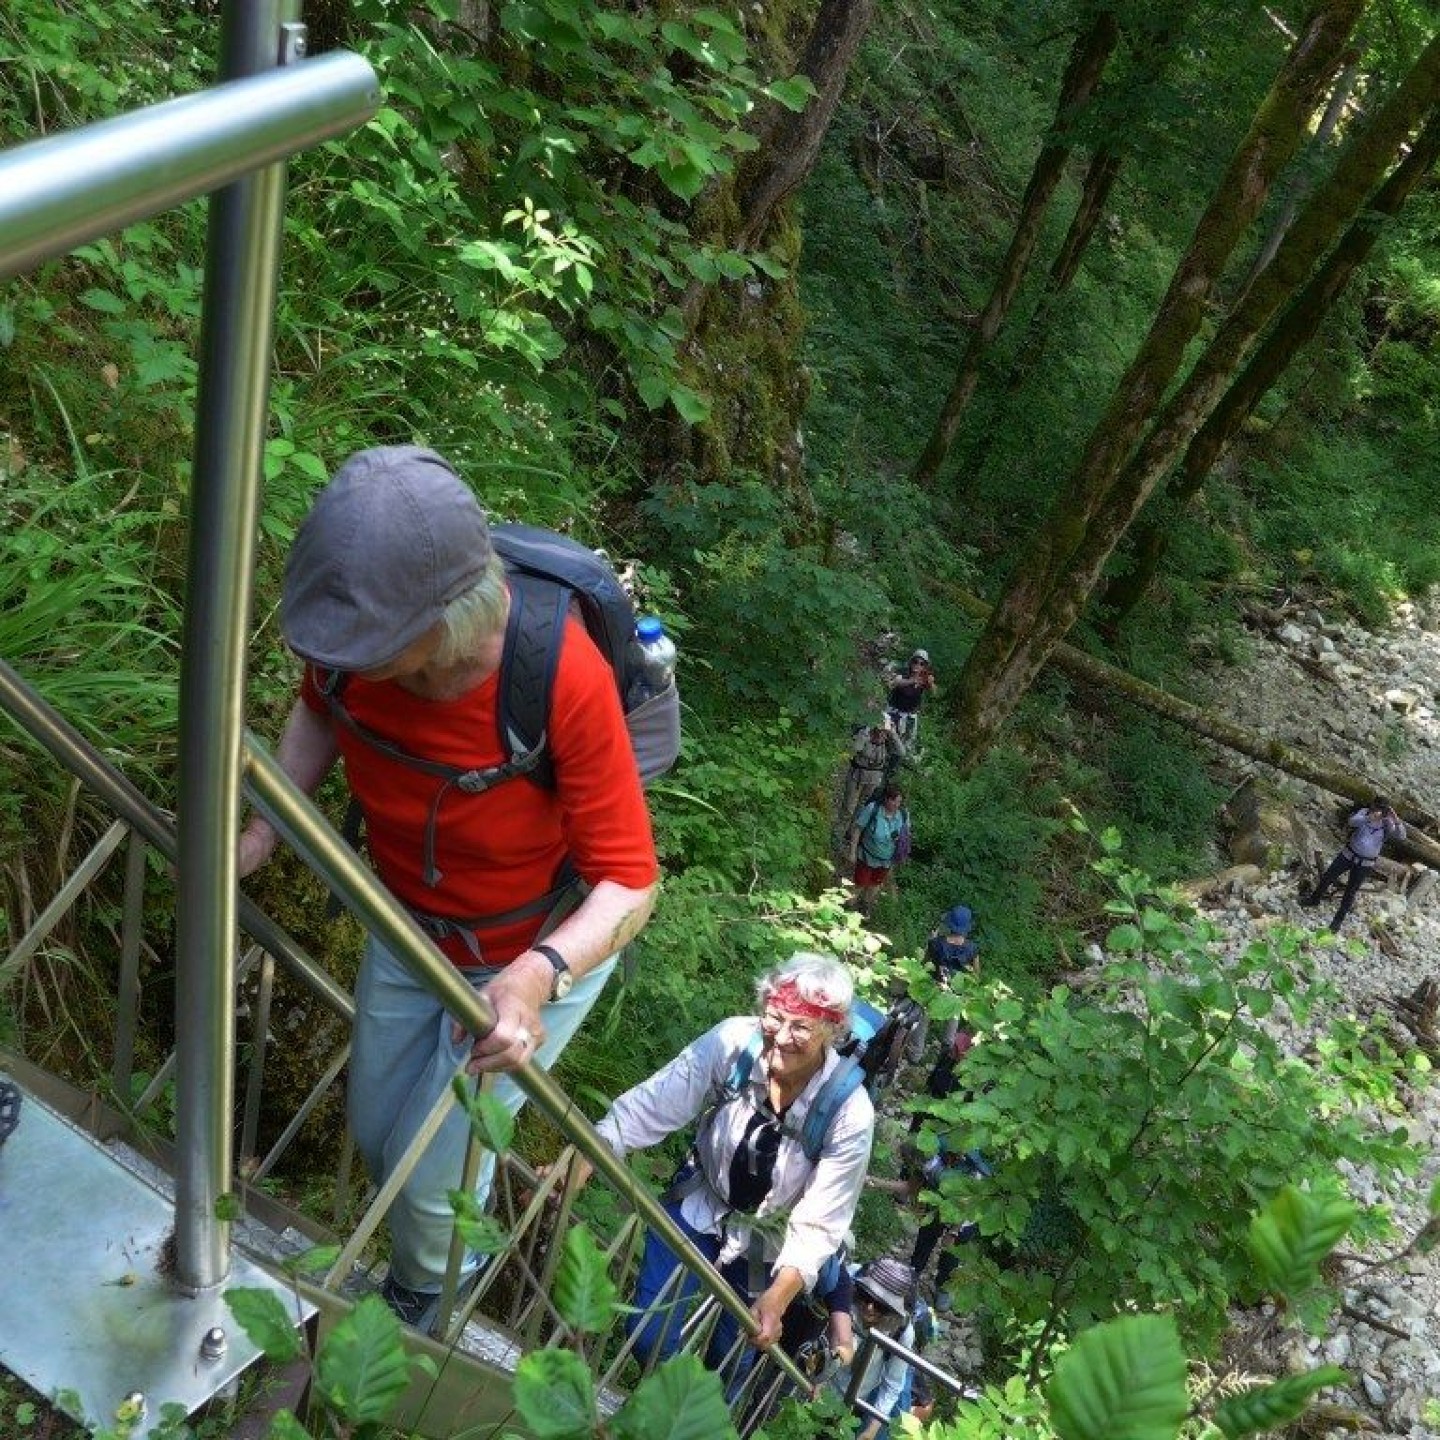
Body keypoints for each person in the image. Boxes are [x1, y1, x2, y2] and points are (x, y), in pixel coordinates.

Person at [237, 446, 660, 1331]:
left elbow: (629, 882)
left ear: (449, 620)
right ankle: (442, 1255)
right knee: (376, 1132)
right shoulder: (356, 634)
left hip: (525, 949)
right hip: (407, 923)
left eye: (368, 649)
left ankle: (430, 1301)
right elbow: (319, 711)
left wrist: (540, 975)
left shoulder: (558, 674)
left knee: (429, 1172)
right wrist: (268, 824)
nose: (342, 659)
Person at [581, 953, 874, 1366]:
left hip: (770, 1246)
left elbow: (823, 1219)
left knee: (732, 1353)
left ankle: (708, 1414)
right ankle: (668, 1404)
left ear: (832, 1030)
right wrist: (584, 1160)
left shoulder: (848, 1111)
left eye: (801, 1027)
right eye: (774, 1018)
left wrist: (780, 1295)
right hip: (701, 1200)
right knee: (648, 1335)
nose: (781, 1036)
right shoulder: (734, 1043)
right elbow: (653, 1104)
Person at [827, 1257, 922, 1440]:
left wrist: (871, 1430)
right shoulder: (847, 1291)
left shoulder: (901, 1331)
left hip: (853, 1400)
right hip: (818, 1383)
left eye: (880, 1305)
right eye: (867, 1296)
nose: (869, 1307)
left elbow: (892, 1384)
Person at [1301, 797, 1406, 932]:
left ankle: (1337, 921)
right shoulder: (1364, 812)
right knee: (1328, 877)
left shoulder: (1388, 823)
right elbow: (1352, 822)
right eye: (1376, 807)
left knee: (1350, 891)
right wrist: (1369, 818)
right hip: (1348, 854)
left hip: (1365, 863)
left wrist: (1396, 820)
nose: (1378, 811)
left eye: (1381, 809)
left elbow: (1401, 836)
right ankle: (1314, 899)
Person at [906, 905, 980, 1062]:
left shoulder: (937, 943)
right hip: (956, 993)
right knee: (953, 1021)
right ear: (967, 927)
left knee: (923, 1018)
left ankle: (915, 1054)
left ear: (949, 923)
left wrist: (930, 941)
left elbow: (924, 963)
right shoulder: (972, 948)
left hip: (934, 987)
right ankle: (946, 1052)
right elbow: (976, 974)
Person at [839, 714, 907, 849]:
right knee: (848, 808)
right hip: (857, 775)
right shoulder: (865, 735)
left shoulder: (887, 741)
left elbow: (901, 752)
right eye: (880, 729)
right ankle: (837, 836)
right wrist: (866, 732)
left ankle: (851, 834)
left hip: (874, 779)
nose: (882, 733)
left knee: (862, 807)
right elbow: (856, 748)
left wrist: (892, 733)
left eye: (884, 730)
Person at [850, 785, 909, 916]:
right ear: (886, 799)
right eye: (894, 801)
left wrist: (901, 852)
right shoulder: (873, 810)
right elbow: (858, 829)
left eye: (899, 802)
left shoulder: (903, 815)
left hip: (886, 860)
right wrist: (852, 852)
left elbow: (905, 835)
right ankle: (849, 906)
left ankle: (865, 906)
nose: (896, 805)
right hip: (867, 856)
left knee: (875, 884)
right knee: (860, 883)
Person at [884, 650, 935, 745]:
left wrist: (931, 684)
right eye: (915, 661)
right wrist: (912, 681)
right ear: (911, 662)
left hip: (910, 716)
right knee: (886, 736)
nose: (917, 665)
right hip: (892, 712)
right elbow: (895, 683)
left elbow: (934, 693)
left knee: (906, 743)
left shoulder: (924, 677)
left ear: (924, 666)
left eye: (921, 664)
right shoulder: (904, 672)